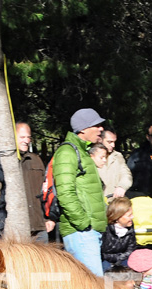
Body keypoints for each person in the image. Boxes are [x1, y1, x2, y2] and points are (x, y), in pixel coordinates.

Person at [53, 108, 108, 276]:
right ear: (83, 129)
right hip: (81, 233)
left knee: (92, 287)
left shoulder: (83, 152)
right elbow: (65, 192)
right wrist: (83, 223)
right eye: (96, 125)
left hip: (89, 231)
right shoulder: (67, 152)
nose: (101, 129)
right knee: (93, 288)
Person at [16, 122, 54, 242]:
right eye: (22, 137)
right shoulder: (5, 161)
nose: (26, 141)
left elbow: (47, 191)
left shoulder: (36, 160)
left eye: (28, 137)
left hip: (39, 225)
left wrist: (49, 218)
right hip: (18, 227)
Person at [101, 197, 137, 271]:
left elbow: (131, 249)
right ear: (117, 217)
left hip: (123, 259)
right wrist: (115, 258)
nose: (132, 217)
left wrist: (120, 258)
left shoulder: (130, 228)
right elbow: (101, 252)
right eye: (129, 215)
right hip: (104, 260)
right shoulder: (104, 229)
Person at [97, 128, 132, 199]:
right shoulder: (91, 156)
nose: (113, 145)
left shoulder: (117, 156)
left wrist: (122, 186)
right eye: (109, 142)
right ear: (100, 140)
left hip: (115, 202)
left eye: (114, 142)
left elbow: (126, 174)